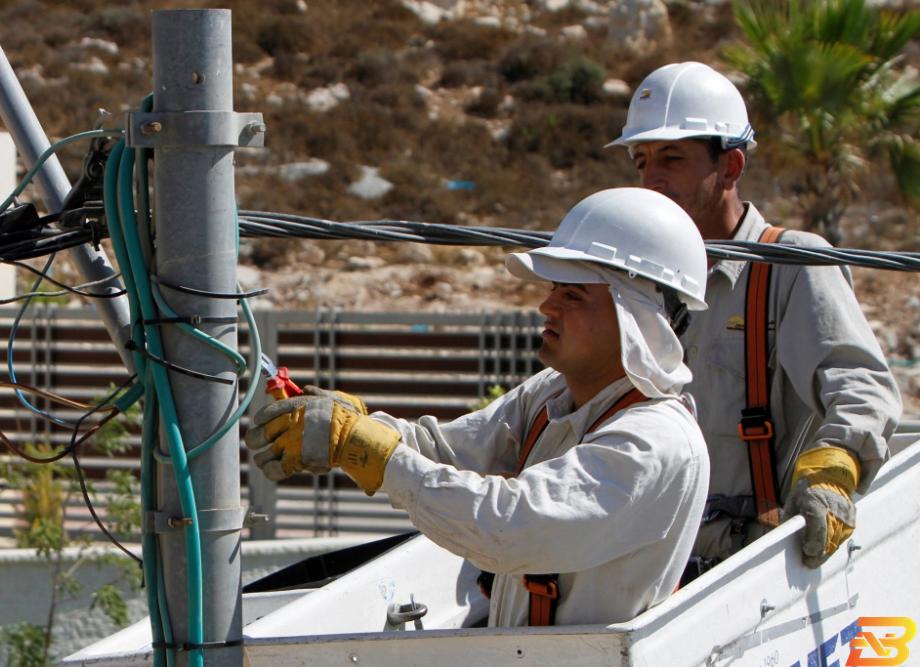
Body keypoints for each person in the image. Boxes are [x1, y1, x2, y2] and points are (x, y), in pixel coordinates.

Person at [247, 187, 710, 627]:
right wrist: (356, 429)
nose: (547, 306)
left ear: (637, 320)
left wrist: (369, 449)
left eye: (572, 294)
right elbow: (444, 451)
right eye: (553, 287)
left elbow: (508, 527)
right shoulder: (553, 394)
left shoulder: (657, 443)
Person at [606, 62, 902, 571]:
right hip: (648, 563)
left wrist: (832, 471)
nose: (651, 179)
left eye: (672, 158)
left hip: (754, 570)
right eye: (641, 161)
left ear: (731, 166)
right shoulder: (637, 283)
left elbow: (862, 388)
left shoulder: (789, 266)